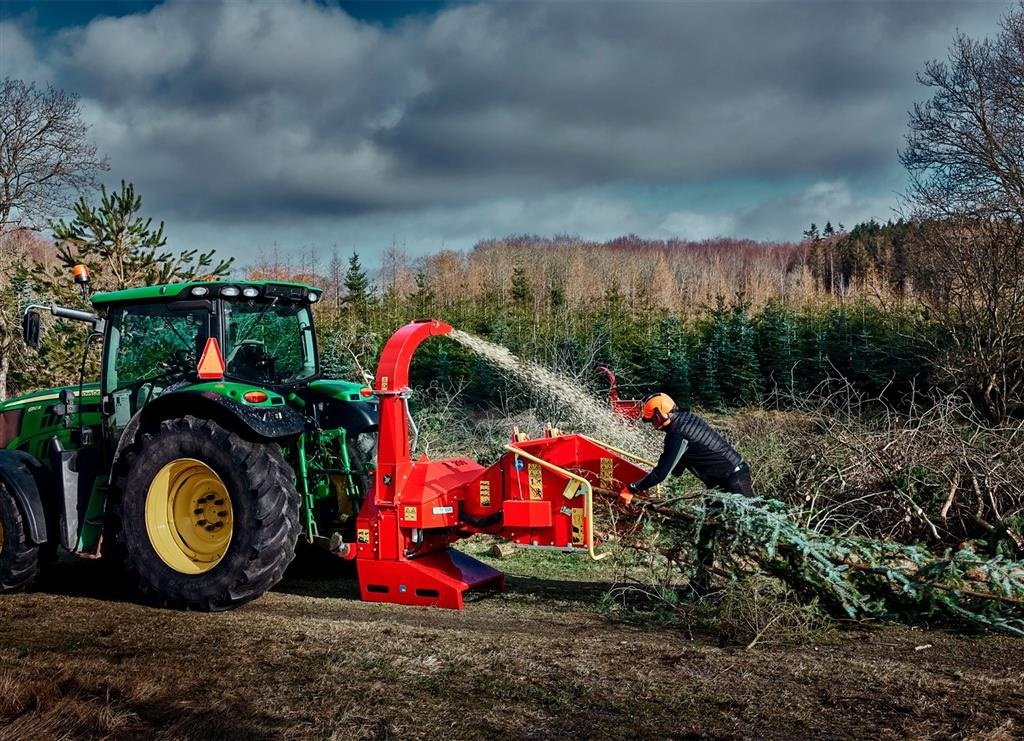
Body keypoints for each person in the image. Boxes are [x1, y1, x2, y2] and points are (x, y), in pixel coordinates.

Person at [619, 392, 754, 594]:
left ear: (659, 413)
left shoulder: (677, 433)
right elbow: (687, 455)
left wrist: (632, 489)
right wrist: (676, 472)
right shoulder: (686, 420)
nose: (652, 425)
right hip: (719, 484)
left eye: (652, 419)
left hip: (733, 479)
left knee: (755, 525)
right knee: (705, 531)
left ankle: (771, 575)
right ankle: (700, 585)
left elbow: (660, 473)